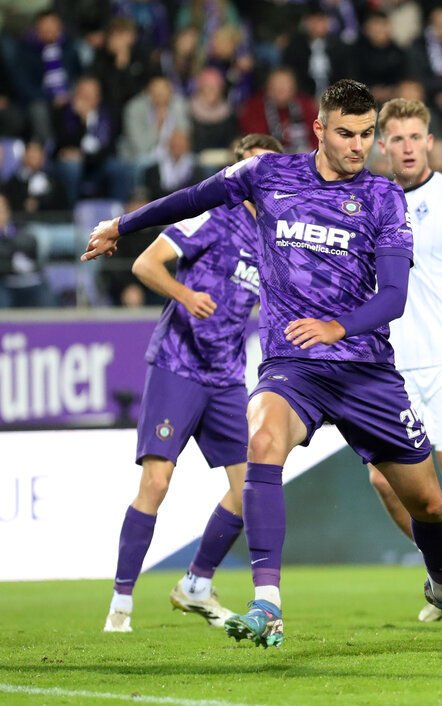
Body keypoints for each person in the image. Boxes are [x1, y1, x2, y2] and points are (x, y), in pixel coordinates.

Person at [83, 79, 442, 651]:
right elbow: (191, 198)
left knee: (428, 501)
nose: (358, 146)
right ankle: (267, 603)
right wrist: (121, 227)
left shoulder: (382, 197)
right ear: (321, 130)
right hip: (293, 364)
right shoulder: (268, 174)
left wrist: (339, 326)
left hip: (365, 369)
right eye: (347, 134)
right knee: (263, 438)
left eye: (366, 134)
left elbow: (394, 297)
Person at [103, 133, 283, 634]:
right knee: (156, 482)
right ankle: (120, 605)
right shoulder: (212, 214)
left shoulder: (275, 237)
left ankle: (197, 584)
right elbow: (145, 264)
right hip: (178, 365)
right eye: (250, 166)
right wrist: (185, 294)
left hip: (226, 376)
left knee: (251, 488)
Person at [375, 97, 442, 623]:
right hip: (389, 367)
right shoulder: (370, 199)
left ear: (429, 142)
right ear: (383, 146)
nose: (407, 146)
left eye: (415, 136)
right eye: (396, 138)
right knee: (384, 481)